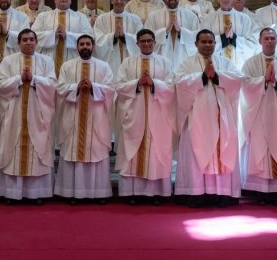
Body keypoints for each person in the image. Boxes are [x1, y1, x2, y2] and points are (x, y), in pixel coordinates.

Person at [175, 30, 242, 206]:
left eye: (211, 42)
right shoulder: (187, 63)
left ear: (215, 43)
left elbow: (237, 79)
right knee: (196, 153)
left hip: (221, 118)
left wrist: (218, 76)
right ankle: (196, 193)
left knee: (222, 152)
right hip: (197, 118)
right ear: (196, 44)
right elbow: (180, 83)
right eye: (203, 42)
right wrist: (203, 77)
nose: (207, 45)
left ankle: (222, 193)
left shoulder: (224, 62)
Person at [0, 29, 58, 203]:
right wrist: (19, 79)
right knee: (12, 148)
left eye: (31, 39)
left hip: (37, 113)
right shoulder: (8, 61)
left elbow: (53, 85)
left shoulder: (46, 61)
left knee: (37, 148)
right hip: (14, 112)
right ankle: (12, 193)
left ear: (37, 42)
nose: (28, 42)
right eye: (24, 40)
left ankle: (35, 193)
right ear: (18, 43)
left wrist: (34, 79)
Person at [240, 27, 277, 203]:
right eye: (266, 38)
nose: (269, 41)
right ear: (260, 41)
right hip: (258, 114)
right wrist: (262, 81)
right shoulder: (250, 63)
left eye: (273, 38)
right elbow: (244, 84)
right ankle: (259, 192)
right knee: (258, 147)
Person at [114, 29, 176, 203]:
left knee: (156, 152)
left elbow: (172, 86)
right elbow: (118, 85)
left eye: (150, 41)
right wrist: (137, 83)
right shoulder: (128, 63)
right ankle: (132, 193)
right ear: (137, 44)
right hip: (134, 114)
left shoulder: (165, 63)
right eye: (143, 41)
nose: (147, 44)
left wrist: (154, 83)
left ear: (154, 43)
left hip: (158, 114)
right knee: (132, 151)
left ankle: (155, 193)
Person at [54, 35, 114, 202]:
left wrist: (94, 87)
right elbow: (60, 89)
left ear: (93, 46)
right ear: (77, 47)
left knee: (96, 152)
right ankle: (72, 192)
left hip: (96, 117)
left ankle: (99, 193)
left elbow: (110, 90)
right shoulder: (68, 66)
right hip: (73, 116)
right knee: (74, 151)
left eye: (88, 44)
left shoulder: (104, 66)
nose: (85, 46)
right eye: (82, 44)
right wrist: (76, 87)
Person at [32, 0, 92, 77]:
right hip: (49, 59)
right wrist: (52, 35)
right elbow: (33, 36)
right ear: (55, 0)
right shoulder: (43, 16)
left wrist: (67, 35)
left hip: (72, 58)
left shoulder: (81, 17)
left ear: (71, 0)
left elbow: (89, 37)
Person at [203, 0, 258, 71]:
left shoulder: (244, 18)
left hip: (239, 61)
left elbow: (252, 42)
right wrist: (222, 38)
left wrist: (235, 39)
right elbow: (204, 41)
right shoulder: (209, 19)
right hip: (216, 60)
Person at [145, 0, 199, 71]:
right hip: (161, 56)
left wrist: (181, 31)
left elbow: (197, 38)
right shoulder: (153, 16)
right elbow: (146, 37)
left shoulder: (190, 16)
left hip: (183, 56)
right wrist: (165, 31)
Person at [93, 0, 143, 73]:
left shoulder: (135, 19)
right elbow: (97, 40)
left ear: (126, 1)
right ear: (111, 0)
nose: (119, 1)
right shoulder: (101, 19)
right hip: (109, 61)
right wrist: (113, 37)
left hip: (129, 60)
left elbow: (141, 39)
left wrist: (125, 36)